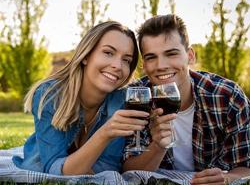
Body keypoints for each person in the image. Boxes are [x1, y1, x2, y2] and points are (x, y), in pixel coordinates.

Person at [123, 14, 250, 185]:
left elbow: (248, 164)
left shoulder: (228, 97)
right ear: (144, 64)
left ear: (190, 56)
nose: (161, 65)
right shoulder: (137, 98)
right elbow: (128, 170)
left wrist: (227, 178)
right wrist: (157, 145)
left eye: (171, 54)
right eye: (151, 57)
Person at [13, 21, 149, 175]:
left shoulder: (121, 100)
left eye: (126, 60)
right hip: (40, 161)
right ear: (86, 56)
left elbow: (109, 166)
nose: (118, 65)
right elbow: (54, 170)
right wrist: (105, 133)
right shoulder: (49, 95)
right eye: (108, 53)